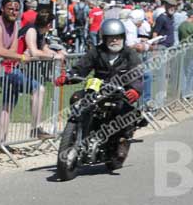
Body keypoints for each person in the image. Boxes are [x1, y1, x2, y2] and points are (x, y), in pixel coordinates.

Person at [54, 19, 143, 166]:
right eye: (110, 37)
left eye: (118, 37)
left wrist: (135, 89)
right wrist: (68, 77)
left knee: (125, 112)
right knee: (77, 97)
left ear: (123, 37)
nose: (114, 40)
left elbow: (137, 74)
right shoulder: (96, 51)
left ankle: (122, 142)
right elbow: (81, 67)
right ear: (104, 38)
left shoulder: (130, 54)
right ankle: (77, 131)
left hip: (121, 92)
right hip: (98, 89)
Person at [0, 0, 54, 144]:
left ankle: (1, 142)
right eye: (10, 9)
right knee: (37, 89)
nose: (14, 12)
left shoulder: (15, 25)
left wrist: (16, 56)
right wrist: (19, 57)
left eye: (16, 9)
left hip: (8, 68)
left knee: (7, 105)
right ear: (2, 9)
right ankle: (35, 127)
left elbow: (13, 50)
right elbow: (0, 52)